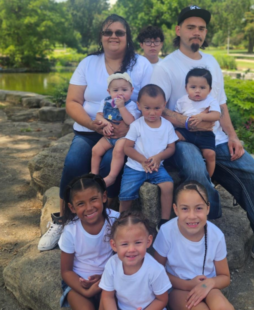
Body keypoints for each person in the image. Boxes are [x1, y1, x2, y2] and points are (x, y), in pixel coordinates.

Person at [150, 5, 254, 263]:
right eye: (190, 27)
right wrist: (188, 123)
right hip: (183, 140)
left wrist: (233, 136)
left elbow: (221, 104)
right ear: (178, 30)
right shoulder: (165, 67)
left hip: (217, 139)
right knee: (197, 173)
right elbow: (158, 108)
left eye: (201, 28)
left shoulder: (211, 62)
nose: (196, 32)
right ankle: (201, 245)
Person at [38, 14, 153, 251]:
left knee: (110, 162)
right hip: (90, 130)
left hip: (127, 133)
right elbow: (72, 102)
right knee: (73, 161)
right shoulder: (88, 64)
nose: (113, 36)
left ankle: (103, 220)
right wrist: (94, 124)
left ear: (127, 37)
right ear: (101, 37)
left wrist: (129, 128)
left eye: (119, 32)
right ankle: (63, 220)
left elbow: (152, 100)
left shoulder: (141, 65)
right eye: (107, 32)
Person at [154, 181, 234, 310]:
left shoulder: (216, 235)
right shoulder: (166, 232)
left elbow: (225, 277)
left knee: (223, 307)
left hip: (206, 286)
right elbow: (156, 272)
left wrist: (209, 283)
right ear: (176, 209)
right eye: (185, 208)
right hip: (177, 288)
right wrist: (188, 285)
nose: (192, 216)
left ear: (208, 208)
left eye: (199, 208)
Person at [119, 84, 178, 229]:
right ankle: (121, 221)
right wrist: (142, 160)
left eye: (157, 108)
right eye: (147, 108)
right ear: (139, 105)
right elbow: (127, 147)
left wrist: (158, 157)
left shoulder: (167, 126)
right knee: (126, 194)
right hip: (135, 167)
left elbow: (171, 148)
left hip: (157, 167)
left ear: (164, 105)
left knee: (168, 185)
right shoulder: (136, 125)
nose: (152, 112)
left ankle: (164, 221)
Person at [58, 174, 119, 309]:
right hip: (78, 282)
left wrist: (105, 277)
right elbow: (66, 271)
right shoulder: (70, 231)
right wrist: (86, 290)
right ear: (72, 207)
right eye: (81, 204)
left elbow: (123, 256)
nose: (89, 207)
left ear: (104, 197)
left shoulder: (116, 221)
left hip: (109, 277)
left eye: (93, 199)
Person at [99, 210, 172, 310]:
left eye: (138, 242)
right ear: (114, 245)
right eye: (124, 244)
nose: (131, 249)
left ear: (148, 241)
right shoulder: (112, 264)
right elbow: (107, 296)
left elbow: (162, 300)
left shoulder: (155, 270)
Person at [91, 72, 140, 187]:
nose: (120, 93)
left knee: (118, 150)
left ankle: (112, 176)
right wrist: (105, 123)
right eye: (115, 90)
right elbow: (98, 115)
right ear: (109, 92)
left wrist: (121, 107)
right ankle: (94, 174)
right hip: (109, 136)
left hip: (123, 137)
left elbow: (131, 122)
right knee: (95, 150)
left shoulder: (131, 105)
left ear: (131, 91)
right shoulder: (106, 102)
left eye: (124, 90)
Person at [175, 68, 220, 177]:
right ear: (186, 88)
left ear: (209, 90)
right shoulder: (182, 101)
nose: (197, 90)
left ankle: (209, 177)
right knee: (172, 138)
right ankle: (166, 163)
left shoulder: (211, 101)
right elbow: (176, 117)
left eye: (202, 87)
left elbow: (217, 115)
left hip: (205, 134)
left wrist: (202, 116)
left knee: (210, 154)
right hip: (186, 131)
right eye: (193, 87)